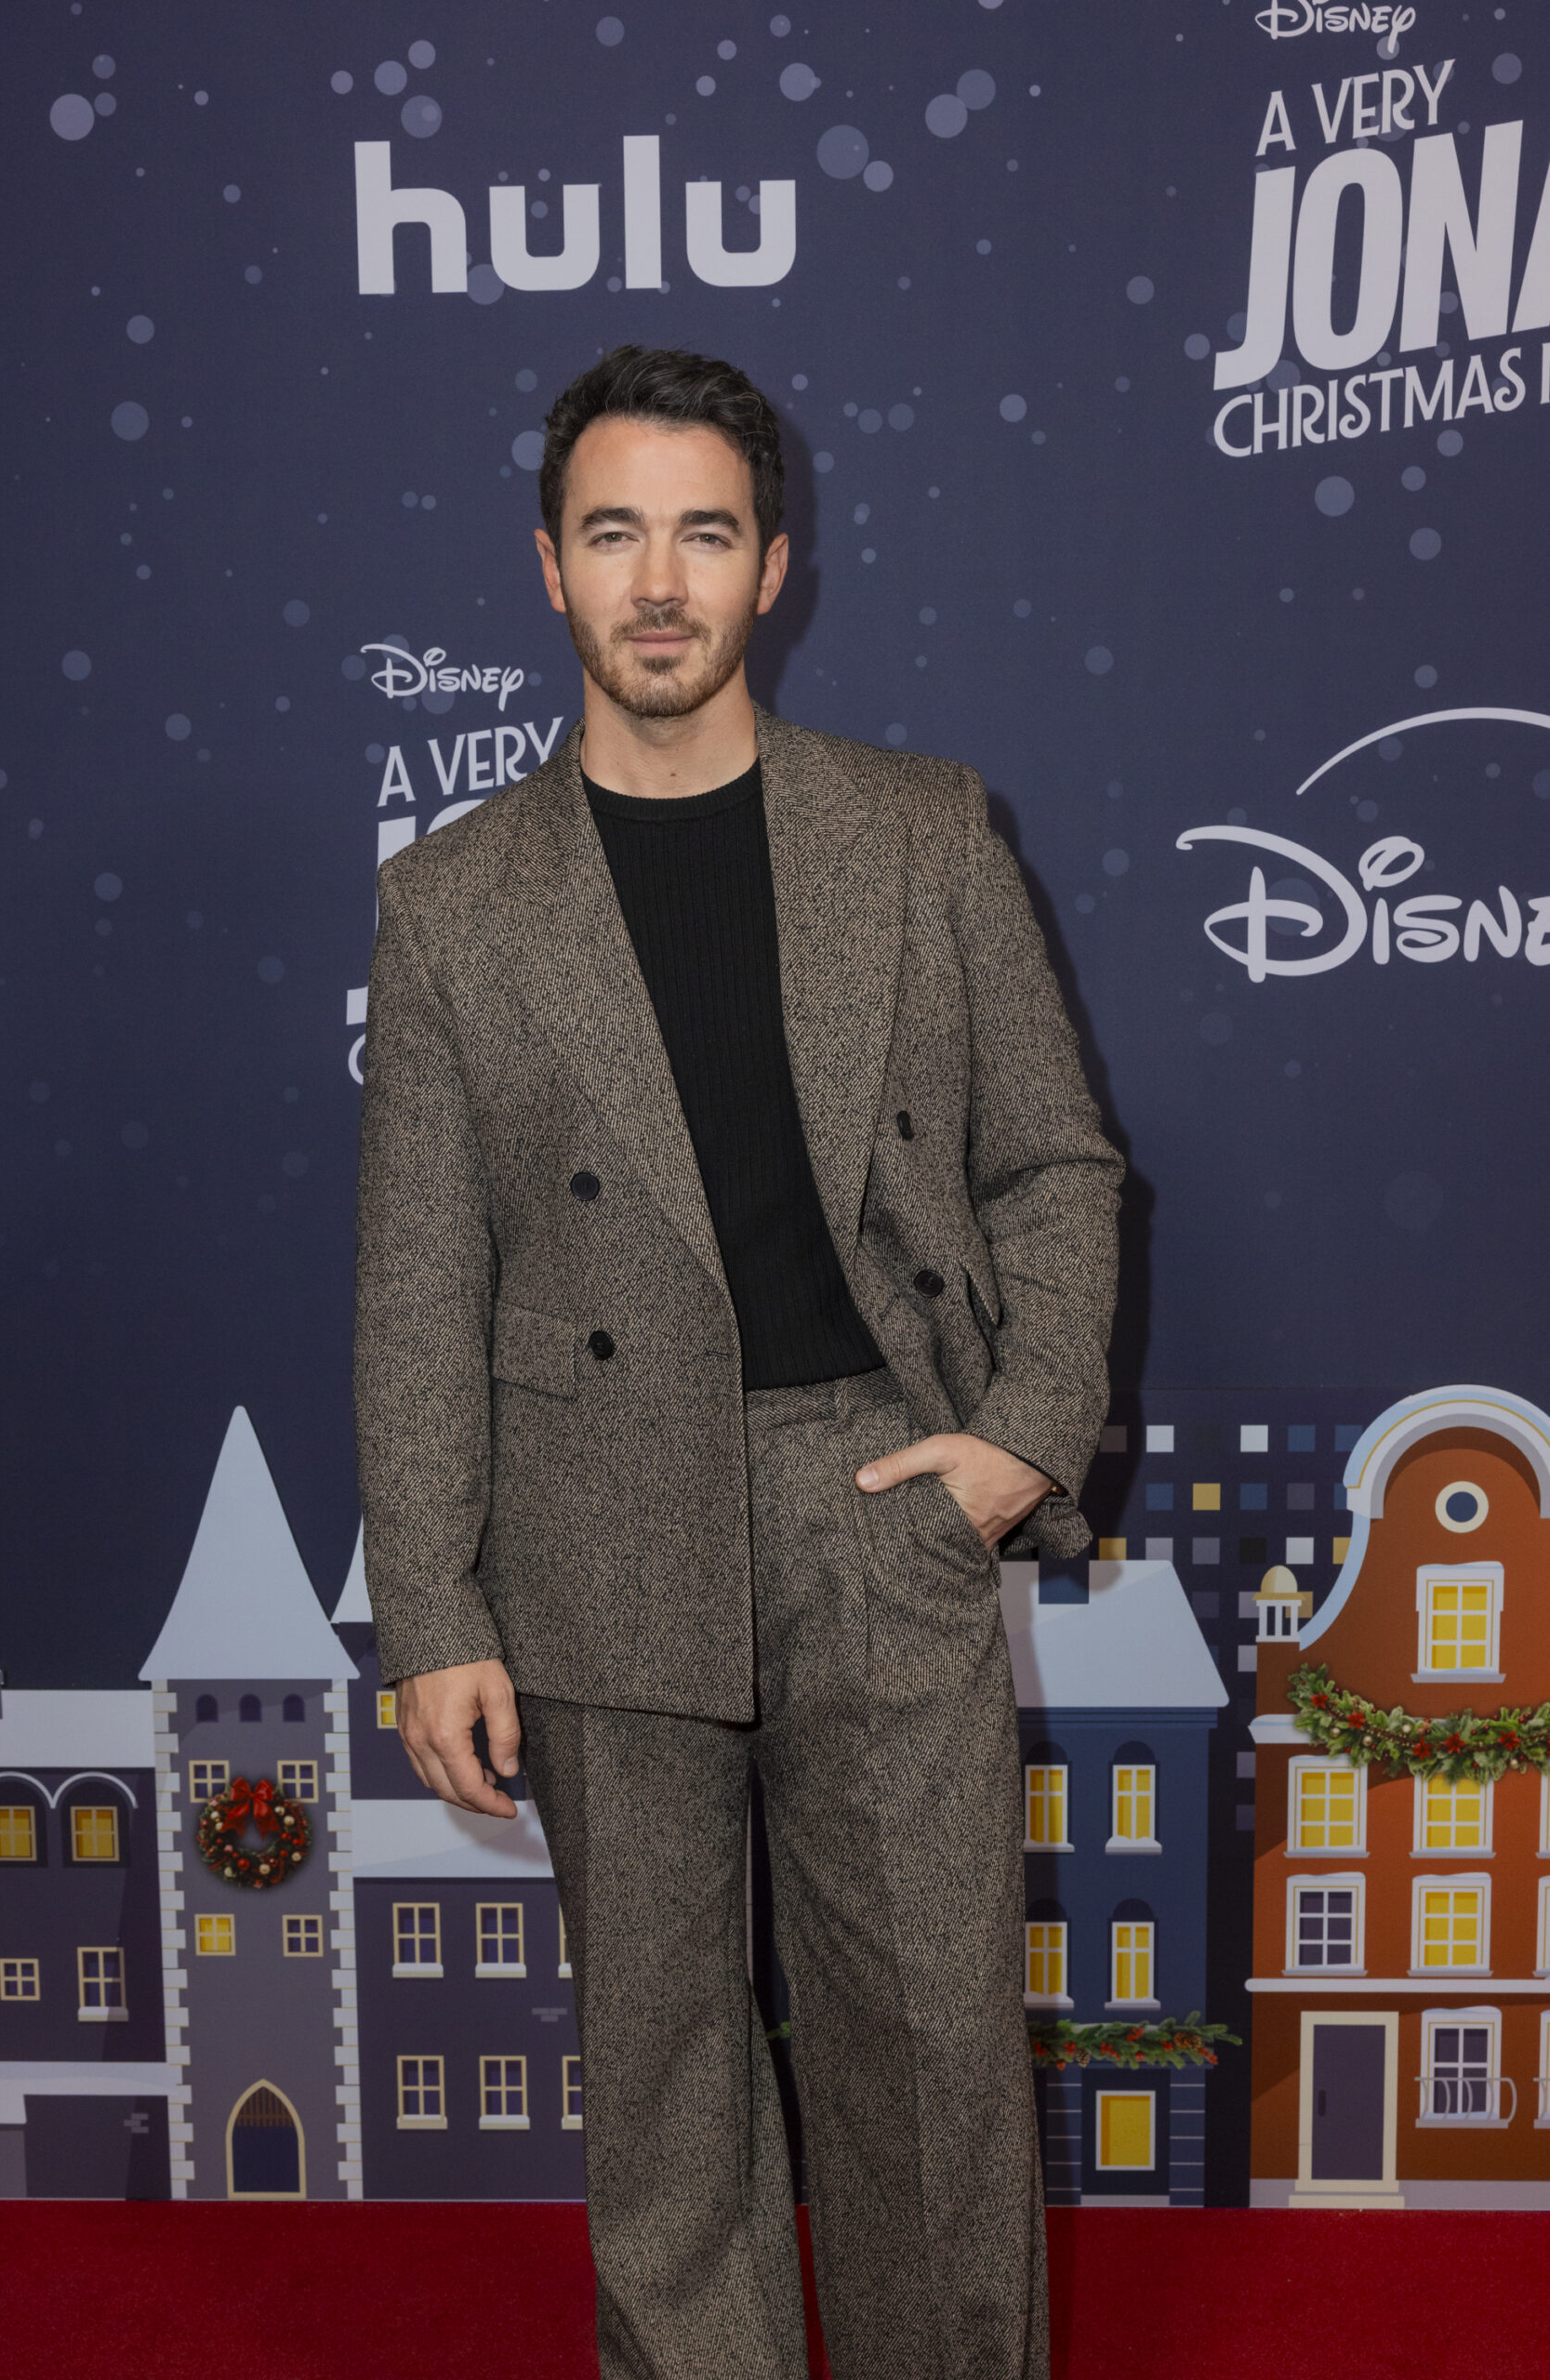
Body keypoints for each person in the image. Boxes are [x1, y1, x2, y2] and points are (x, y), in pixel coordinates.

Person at [354, 345, 1122, 2380]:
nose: (659, 581)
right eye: (614, 533)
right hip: (595, 1526)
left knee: (933, 2077)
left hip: (883, 1501)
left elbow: (1055, 1165)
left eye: (703, 533)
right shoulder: (451, 905)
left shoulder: (923, 831)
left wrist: (1019, 1437)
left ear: (773, 566)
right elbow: (419, 1280)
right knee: (664, 2093)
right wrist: (433, 1608)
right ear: (549, 567)